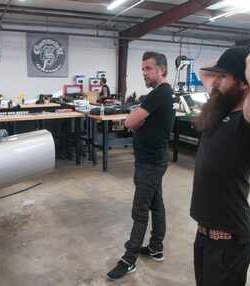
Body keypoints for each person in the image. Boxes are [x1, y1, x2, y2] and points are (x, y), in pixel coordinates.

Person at [191, 47, 250, 286]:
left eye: (223, 76)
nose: (214, 82)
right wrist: (227, 62)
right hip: (205, 238)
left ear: (243, 83)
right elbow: (203, 72)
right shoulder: (220, 110)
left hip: (227, 244)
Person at [107, 52, 175, 280]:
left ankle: (129, 258)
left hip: (151, 162)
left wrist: (137, 121)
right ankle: (156, 248)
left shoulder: (160, 93)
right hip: (152, 159)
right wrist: (138, 121)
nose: (144, 73)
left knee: (140, 210)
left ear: (162, 70)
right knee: (156, 204)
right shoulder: (159, 94)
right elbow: (137, 121)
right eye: (143, 69)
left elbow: (129, 122)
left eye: (148, 68)